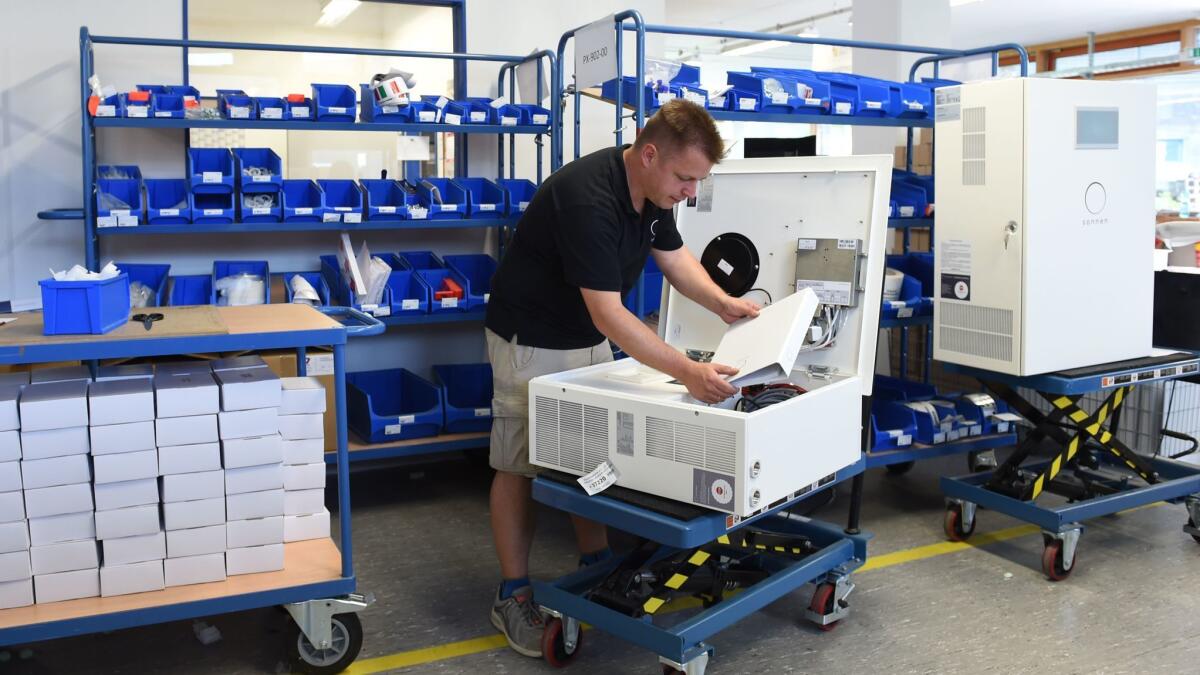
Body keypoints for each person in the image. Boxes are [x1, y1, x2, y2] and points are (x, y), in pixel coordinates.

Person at [483, 98, 760, 657]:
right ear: (649, 154)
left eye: (696, 182)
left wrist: (724, 303)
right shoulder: (590, 198)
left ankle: (596, 563)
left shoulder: (654, 191)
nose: (689, 192)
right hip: (529, 339)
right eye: (685, 178)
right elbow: (609, 312)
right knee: (518, 463)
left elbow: (674, 256)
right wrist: (688, 372)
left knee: (588, 450)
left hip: (581, 335)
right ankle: (512, 594)